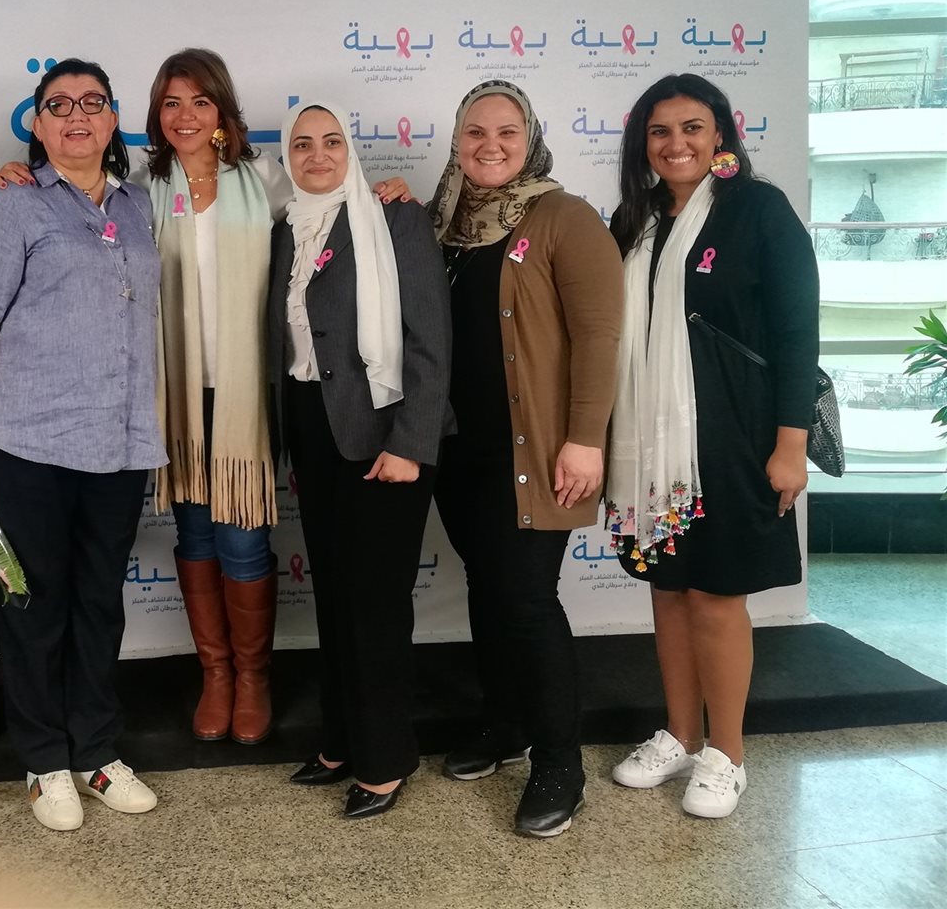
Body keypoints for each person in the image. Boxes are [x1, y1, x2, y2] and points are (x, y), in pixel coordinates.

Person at [0, 49, 410, 746]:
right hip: (175, 397)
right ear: (154, 116)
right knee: (194, 537)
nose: (185, 115)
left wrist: (381, 190)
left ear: (222, 112)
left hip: (250, 395)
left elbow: (329, 204)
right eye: (171, 103)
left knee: (242, 540)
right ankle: (215, 675)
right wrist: (14, 175)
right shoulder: (136, 190)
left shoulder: (266, 178)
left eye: (199, 101)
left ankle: (253, 678)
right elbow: (68, 208)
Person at [0, 58, 167, 831]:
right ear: (37, 125)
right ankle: (45, 763)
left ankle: (97, 752)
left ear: (113, 120)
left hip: (120, 443)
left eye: (93, 103)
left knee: (100, 604)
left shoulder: (139, 205)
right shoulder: (11, 208)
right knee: (34, 609)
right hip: (30, 445)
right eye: (59, 104)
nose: (77, 115)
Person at [605, 73, 817, 819]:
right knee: (667, 589)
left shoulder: (757, 209)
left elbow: (797, 332)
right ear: (643, 144)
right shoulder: (633, 220)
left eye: (692, 127)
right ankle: (680, 735)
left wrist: (790, 445)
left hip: (733, 436)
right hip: (650, 443)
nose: (677, 144)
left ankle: (726, 755)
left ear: (720, 133)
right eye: (660, 131)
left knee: (716, 594)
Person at [427, 80, 624, 837]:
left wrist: (586, 437)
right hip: (462, 450)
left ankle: (560, 763)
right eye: (475, 131)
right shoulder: (448, 222)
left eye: (507, 131)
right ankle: (504, 723)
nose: (491, 145)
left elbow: (600, 335)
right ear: (457, 140)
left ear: (531, 137)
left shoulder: (564, 217)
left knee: (528, 601)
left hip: (534, 453)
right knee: (487, 588)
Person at [268, 103, 452, 821]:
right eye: (302, 145)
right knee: (337, 596)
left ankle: (387, 757)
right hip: (316, 430)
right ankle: (343, 739)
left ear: (351, 149)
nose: (318, 155)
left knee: (375, 602)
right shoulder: (286, 227)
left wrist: (411, 443)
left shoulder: (393, 219)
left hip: (386, 432)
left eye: (332, 141)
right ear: (288, 157)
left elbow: (430, 339)